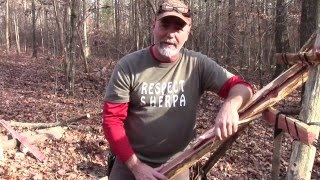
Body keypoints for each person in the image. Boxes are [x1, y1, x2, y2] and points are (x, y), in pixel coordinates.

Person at [102, 0, 253, 179]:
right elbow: (112, 120)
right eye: (165, 25)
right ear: (154, 26)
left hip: (177, 164)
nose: (170, 34)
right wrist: (136, 167)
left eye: (178, 28)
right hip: (129, 164)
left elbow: (243, 87)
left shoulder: (197, 64)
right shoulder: (129, 66)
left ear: (188, 33)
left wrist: (230, 106)